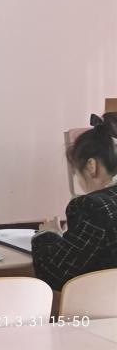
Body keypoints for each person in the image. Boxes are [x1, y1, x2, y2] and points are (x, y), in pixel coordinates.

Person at [32, 113, 117, 290]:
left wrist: (48, 234)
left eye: (77, 172)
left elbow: (53, 275)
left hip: (97, 306)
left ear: (91, 166)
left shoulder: (92, 206)